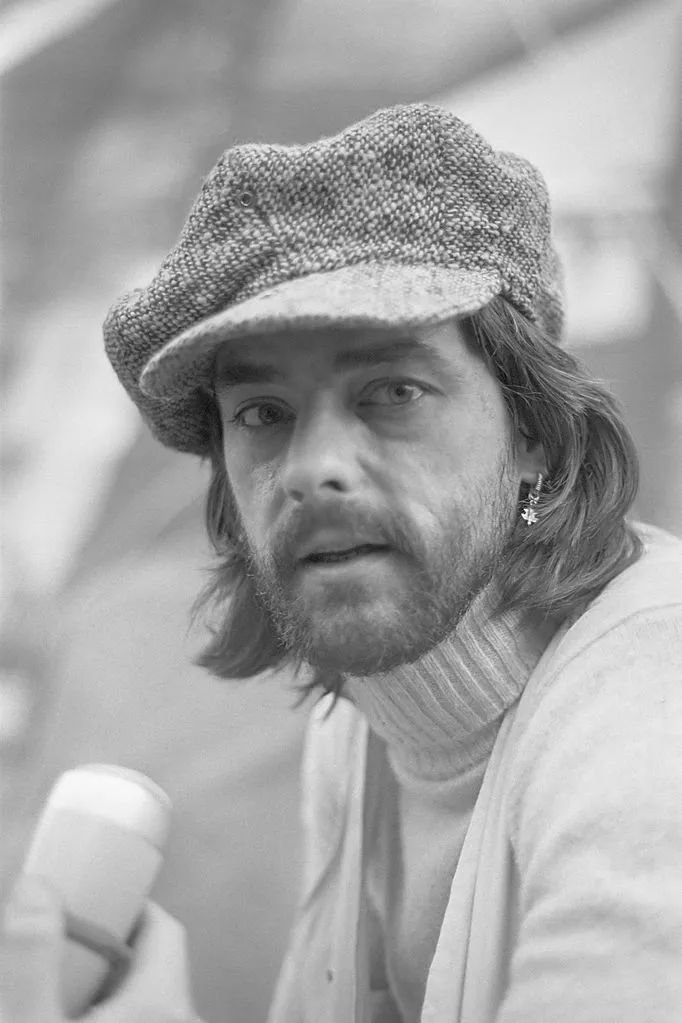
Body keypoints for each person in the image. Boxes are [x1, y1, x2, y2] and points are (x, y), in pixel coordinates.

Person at [2, 102, 681, 1023]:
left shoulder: (653, 704)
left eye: (393, 391)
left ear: (536, 434)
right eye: (262, 413)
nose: (314, 466)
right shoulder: (363, 719)